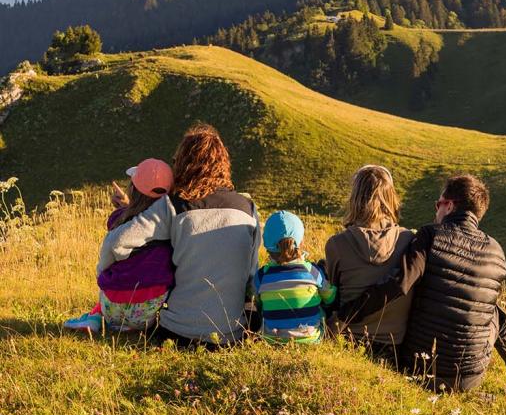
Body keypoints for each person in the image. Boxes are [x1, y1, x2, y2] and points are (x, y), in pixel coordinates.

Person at [338, 173, 506, 402]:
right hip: (470, 377)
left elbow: (400, 285)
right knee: (497, 315)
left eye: (438, 204)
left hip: (417, 365)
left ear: (450, 205)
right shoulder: (496, 251)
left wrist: (347, 315)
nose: (436, 212)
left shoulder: (430, 234)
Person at [97, 124, 260, 348]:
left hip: (176, 333)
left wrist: (103, 276)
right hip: (231, 334)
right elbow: (251, 276)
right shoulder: (248, 209)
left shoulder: (173, 205)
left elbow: (116, 243)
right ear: (223, 164)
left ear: (184, 163)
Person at [64, 158, 175, 334]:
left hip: (112, 306)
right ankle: (129, 325)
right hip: (149, 311)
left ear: (133, 190)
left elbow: (103, 268)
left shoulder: (119, 223)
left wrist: (124, 209)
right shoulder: (172, 224)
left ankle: (95, 317)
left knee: (114, 282)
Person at [324, 165, 414, 362]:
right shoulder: (409, 240)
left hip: (349, 340)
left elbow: (332, 293)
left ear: (355, 197)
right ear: (390, 197)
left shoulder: (337, 244)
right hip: (395, 346)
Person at [252, 210, 336, 344]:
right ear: (300, 241)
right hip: (311, 340)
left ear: (267, 245)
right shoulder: (313, 271)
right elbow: (330, 297)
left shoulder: (261, 276)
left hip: (271, 340)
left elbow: (257, 303)